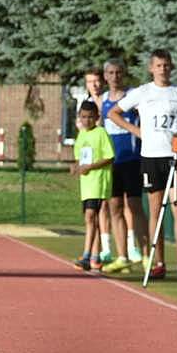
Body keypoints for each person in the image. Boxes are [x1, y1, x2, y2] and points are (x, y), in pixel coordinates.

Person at [107, 49, 177, 281]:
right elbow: (113, 113)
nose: (163, 69)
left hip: (174, 157)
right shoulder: (142, 92)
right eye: (158, 65)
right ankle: (159, 263)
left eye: (166, 65)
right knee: (156, 210)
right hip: (151, 157)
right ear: (151, 68)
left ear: (171, 67)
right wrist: (137, 131)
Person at [100, 58, 150, 274]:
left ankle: (146, 255)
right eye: (111, 73)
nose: (115, 77)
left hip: (132, 160)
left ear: (124, 74)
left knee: (135, 205)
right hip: (112, 162)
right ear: (105, 76)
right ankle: (122, 257)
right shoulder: (103, 100)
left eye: (118, 72)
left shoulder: (133, 97)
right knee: (115, 207)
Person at [71, 100, 115, 271]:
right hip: (86, 185)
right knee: (90, 219)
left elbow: (109, 157)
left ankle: (87, 255)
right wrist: (75, 166)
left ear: (97, 117)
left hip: (98, 182)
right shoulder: (81, 135)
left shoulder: (101, 133)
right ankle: (94, 256)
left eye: (90, 117)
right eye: (83, 117)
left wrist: (91, 167)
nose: (86, 120)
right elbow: (79, 157)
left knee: (91, 216)